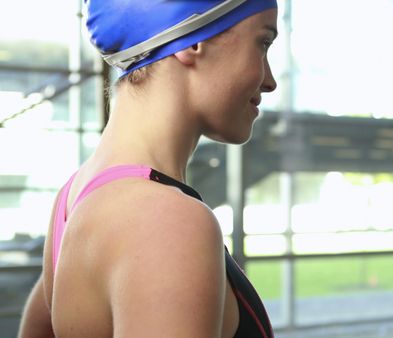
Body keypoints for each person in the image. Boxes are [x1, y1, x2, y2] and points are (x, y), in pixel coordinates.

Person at [17, 0, 278, 337]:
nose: (270, 81)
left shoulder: (73, 197)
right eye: (263, 43)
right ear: (193, 40)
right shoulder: (166, 221)